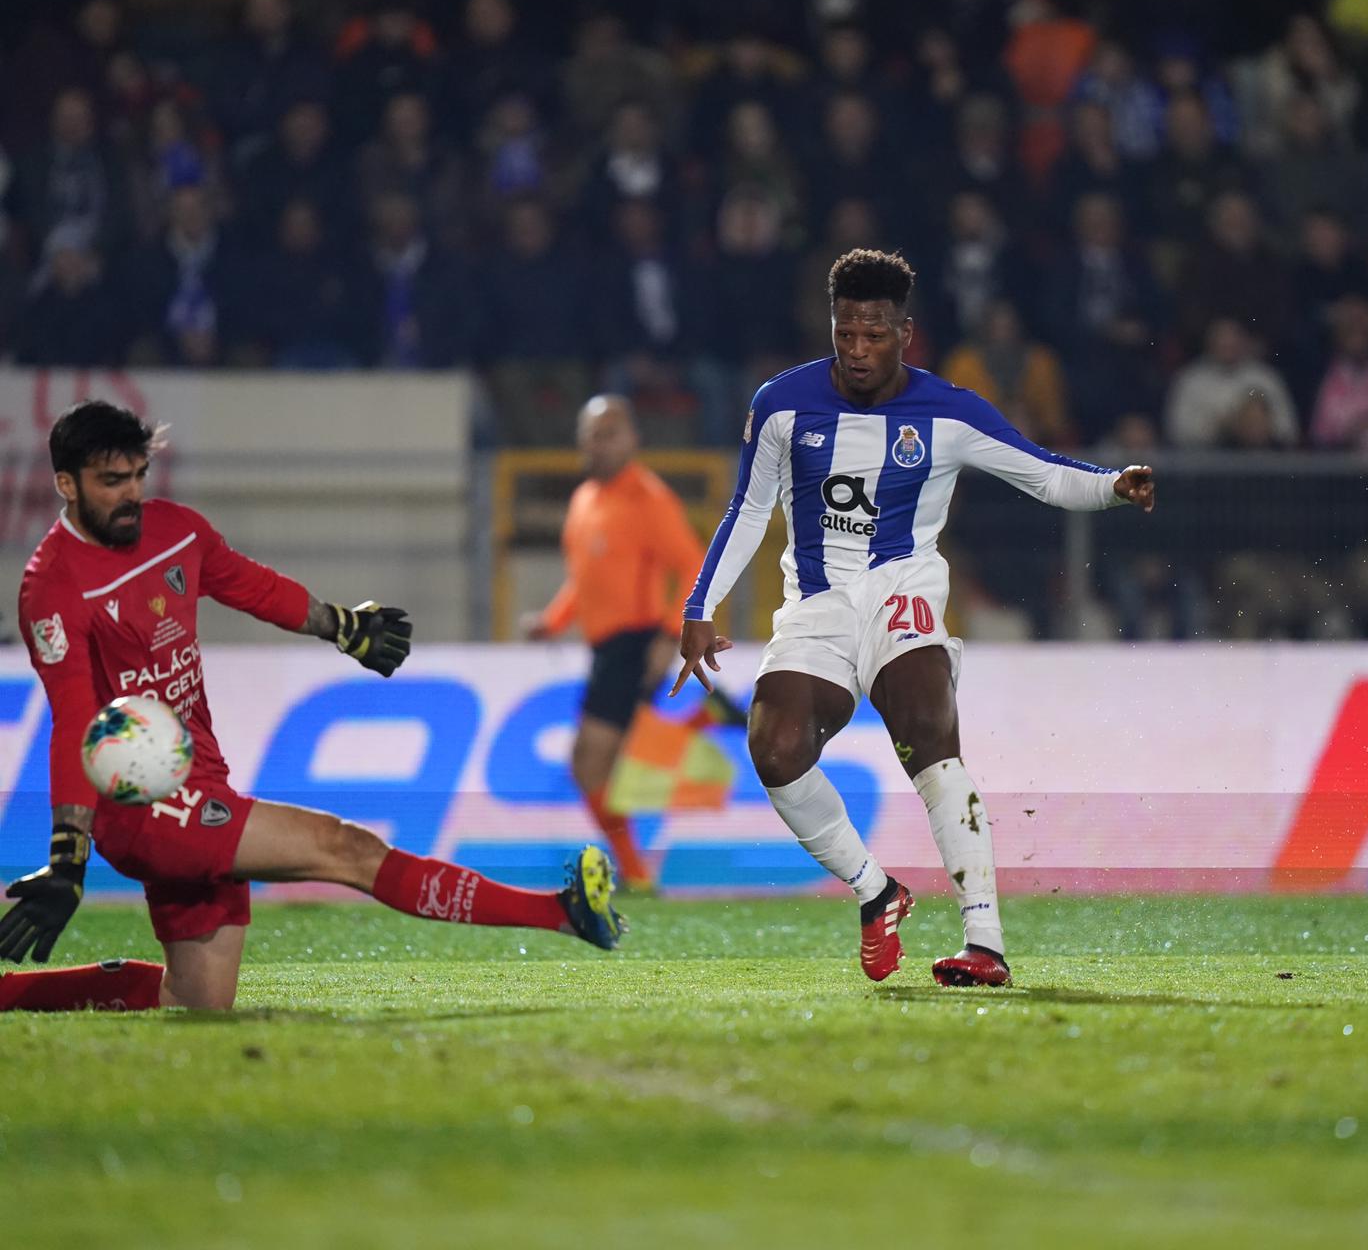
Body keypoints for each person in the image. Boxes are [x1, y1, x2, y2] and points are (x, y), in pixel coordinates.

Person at [0, 403, 623, 1013]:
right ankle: (562, 913)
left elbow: (251, 585)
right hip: (139, 805)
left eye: (138, 475)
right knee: (345, 849)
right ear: (66, 485)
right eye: (113, 482)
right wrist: (67, 859)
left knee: (196, 1000)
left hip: (199, 775)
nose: (131, 494)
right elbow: (76, 722)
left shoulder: (175, 530)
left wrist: (340, 625)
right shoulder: (52, 587)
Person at [670, 250, 1154, 987]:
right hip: (817, 607)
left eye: (874, 335)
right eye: (845, 335)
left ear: (905, 332)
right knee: (774, 745)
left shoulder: (950, 412)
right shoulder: (781, 404)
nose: (858, 351)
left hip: (903, 595)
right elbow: (748, 507)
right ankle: (875, 890)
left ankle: (984, 943)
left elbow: (1045, 473)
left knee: (930, 739)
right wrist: (698, 608)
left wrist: (1114, 487)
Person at [523, 396, 706, 888]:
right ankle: (705, 719)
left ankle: (636, 871)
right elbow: (584, 580)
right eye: (591, 434)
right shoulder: (585, 499)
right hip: (606, 648)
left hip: (636, 642)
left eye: (609, 433)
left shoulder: (648, 499)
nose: (597, 444)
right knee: (619, 764)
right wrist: (553, 621)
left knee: (589, 763)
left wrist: (672, 634)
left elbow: (693, 564)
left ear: (632, 439)